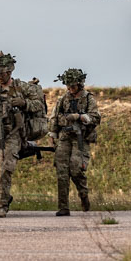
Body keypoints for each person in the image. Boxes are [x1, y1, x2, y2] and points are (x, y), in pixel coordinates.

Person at [0, 52, 39, 218]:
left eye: (1, 73)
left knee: (5, 170)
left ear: (9, 72)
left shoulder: (21, 87)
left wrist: (24, 103)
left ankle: (1, 205)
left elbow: (38, 104)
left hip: (13, 134)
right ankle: (1, 194)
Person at [49, 68, 101, 216]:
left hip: (80, 138)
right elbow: (55, 117)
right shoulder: (63, 99)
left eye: (73, 86)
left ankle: (83, 194)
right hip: (65, 137)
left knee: (76, 169)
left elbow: (95, 117)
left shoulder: (88, 99)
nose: (70, 89)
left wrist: (79, 117)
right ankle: (63, 207)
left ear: (80, 84)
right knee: (62, 172)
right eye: (68, 86)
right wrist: (52, 135)